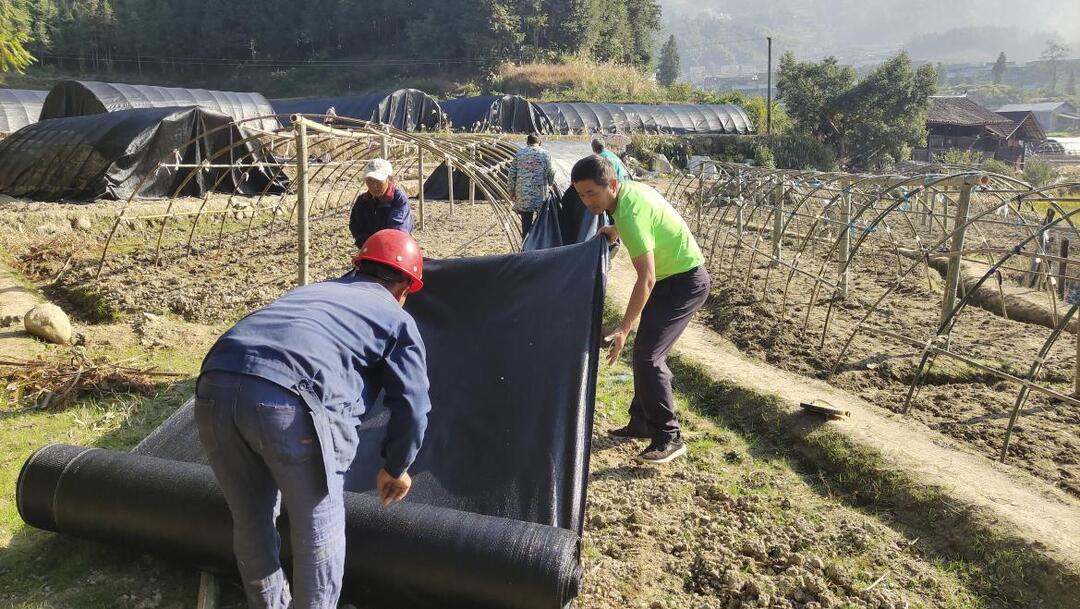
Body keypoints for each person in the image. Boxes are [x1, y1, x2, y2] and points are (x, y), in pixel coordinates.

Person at [195, 229, 431, 609]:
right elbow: (413, 402)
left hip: (214, 386)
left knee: (252, 521)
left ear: (358, 267)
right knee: (317, 534)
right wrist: (397, 465)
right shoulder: (395, 317)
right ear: (405, 287)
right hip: (288, 405)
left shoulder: (313, 292)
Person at [571, 155, 710, 464]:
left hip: (684, 282)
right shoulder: (627, 196)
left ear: (612, 185)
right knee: (646, 354)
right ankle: (643, 421)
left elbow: (645, 278)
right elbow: (647, 216)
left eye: (592, 193)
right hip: (670, 277)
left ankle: (669, 436)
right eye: (581, 194)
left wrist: (623, 327)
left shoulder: (629, 212)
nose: (586, 201)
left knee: (649, 357)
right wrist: (614, 230)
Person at [349, 158, 414, 249]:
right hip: (369, 247)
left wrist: (380, 247)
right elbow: (355, 225)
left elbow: (396, 231)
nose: (373, 185)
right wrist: (365, 243)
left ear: (390, 179)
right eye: (370, 180)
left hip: (394, 248)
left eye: (378, 181)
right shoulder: (362, 201)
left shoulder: (398, 200)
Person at [507, 133, 554, 239]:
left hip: (523, 195)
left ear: (527, 143)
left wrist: (511, 192)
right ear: (540, 143)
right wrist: (550, 184)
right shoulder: (545, 154)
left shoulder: (519, 154)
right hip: (540, 195)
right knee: (541, 222)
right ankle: (539, 244)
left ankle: (526, 247)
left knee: (526, 224)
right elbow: (551, 172)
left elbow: (511, 175)